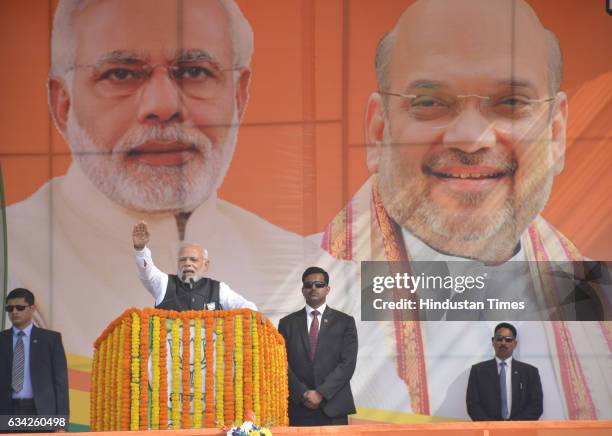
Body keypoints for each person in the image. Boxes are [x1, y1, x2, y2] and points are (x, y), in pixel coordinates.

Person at [316, 0, 611, 420]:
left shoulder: (598, 303)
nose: (472, 137)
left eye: (511, 103)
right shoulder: (293, 298)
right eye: (430, 102)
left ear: (557, 133)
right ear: (379, 131)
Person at [5, 0, 327, 360]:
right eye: (122, 74)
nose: (163, 104)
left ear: (239, 95)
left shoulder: (297, 265)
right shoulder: (14, 257)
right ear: (62, 104)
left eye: (194, 71)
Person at [278, 267, 358, 426]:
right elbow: (281, 363)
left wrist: (321, 393)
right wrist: (303, 393)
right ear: (302, 290)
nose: (313, 288)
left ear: (327, 289)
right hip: (298, 406)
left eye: (319, 284)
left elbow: (347, 364)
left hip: (334, 406)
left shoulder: (345, 322)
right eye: (308, 285)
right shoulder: (287, 323)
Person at [132, 221, 256, 311]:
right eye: (183, 260)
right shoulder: (165, 283)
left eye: (193, 259)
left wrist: (253, 314)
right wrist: (140, 250)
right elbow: (146, 273)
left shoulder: (218, 289)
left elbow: (244, 305)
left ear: (205, 264)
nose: (187, 263)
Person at [0, 288, 69, 422]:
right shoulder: (2, 340)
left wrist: (62, 423)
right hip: (6, 411)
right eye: (10, 308)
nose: (14, 311)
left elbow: (60, 384)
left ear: (32, 308)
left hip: (40, 412)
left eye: (20, 307)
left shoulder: (51, 339)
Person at [466, 323, 543, 421]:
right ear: (493, 342)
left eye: (508, 339)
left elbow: (536, 406)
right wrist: (493, 427)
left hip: (521, 431)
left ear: (515, 343)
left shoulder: (530, 372)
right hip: (488, 431)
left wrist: (514, 426)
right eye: (499, 339)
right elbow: (473, 406)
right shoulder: (478, 371)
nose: (503, 343)